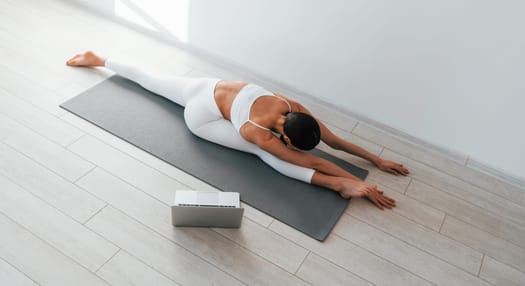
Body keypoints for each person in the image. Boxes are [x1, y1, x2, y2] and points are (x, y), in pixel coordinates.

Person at [67, 51, 409, 209]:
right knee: (264, 154)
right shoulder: (255, 132)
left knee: (151, 79)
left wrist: (376, 160)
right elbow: (310, 162)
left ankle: (99, 58)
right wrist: (351, 182)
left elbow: (332, 142)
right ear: (286, 136)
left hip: (208, 86)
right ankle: (339, 188)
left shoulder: (292, 107)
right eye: (292, 144)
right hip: (203, 117)